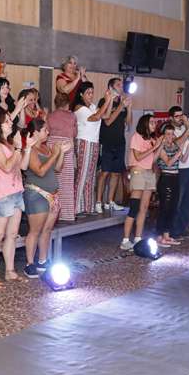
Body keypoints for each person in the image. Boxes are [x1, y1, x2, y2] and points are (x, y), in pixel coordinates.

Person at [0, 110, 34, 288]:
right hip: (1, 194)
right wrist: (18, 149)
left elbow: (23, 166)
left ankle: (10, 271)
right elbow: (6, 167)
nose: (10, 123)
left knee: (12, 234)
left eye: (10, 120)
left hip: (16, 191)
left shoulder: (10, 143)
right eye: (7, 121)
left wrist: (27, 148)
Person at [22, 119, 70, 278]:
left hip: (52, 194)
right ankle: (29, 264)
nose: (48, 133)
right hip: (37, 194)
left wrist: (61, 153)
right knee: (35, 231)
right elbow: (40, 171)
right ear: (35, 132)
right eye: (44, 130)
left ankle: (42, 260)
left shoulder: (46, 148)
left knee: (47, 230)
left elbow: (57, 168)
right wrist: (55, 154)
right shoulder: (30, 150)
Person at [122, 114, 162, 250]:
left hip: (149, 173)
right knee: (134, 207)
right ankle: (125, 240)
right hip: (138, 172)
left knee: (144, 208)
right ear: (145, 123)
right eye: (151, 122)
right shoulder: (136, 137)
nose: (154, 125)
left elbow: (153, 159)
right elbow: (138, 157)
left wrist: (160, 146)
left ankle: (138, 238)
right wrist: (154, 147)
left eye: (155, 123)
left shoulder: (152, 139)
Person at [73, 82, 113, 215]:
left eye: (92, 92)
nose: (91, 95)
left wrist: (110, 100)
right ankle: (76, 208)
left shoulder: (92, 106)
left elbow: (106, 115)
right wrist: (106, 101)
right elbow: (95, 117)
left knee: (91, 177)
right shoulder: (79, 108)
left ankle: (88, 207)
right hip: (84, 142)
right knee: (83, 175)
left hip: (94, 143)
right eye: (88, 93)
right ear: (81, 94)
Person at [96, 78, 131, 213]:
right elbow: (108, 121)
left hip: (120, 142)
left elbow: (128, 123)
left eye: (122, 85)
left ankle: (110, 201)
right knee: (105, 173)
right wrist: (121, 106)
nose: (121, 87)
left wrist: (129, 107)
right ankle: (99, 201)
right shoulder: (104, 101)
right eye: (118, 85)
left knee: (116, 173)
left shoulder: (122, 102)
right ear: (111, 87)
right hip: (107, 142)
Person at [46, 93, 77, 223]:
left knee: (53, 179)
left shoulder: (50, 115)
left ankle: (53, 212)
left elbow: (47, 131)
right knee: (67, 182)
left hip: (52, 145)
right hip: (66, 145)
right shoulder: (72, 116)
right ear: (67, 103)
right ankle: (66, 214)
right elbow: (74, 133)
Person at [169, 107, 189, 240]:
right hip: (179, 169)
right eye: (177, 116)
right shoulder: (170, 130)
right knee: (178, 201)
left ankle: (184, 227)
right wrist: (188, 128)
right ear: (171, 118)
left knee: (188, 201)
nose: (180, 118)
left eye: (181, 115)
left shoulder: (185, 128)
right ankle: (174, 230)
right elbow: (177, 142)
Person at [155, 123, 185, 247]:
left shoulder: (175, 145)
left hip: (175, 177)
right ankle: (159, 236)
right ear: (163, 135)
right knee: (164, 208)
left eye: (172, 134)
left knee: (173, 207)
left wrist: (186, 149)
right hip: (166, 177)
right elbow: (168, 163)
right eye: (167, 134)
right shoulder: (161, 147)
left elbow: (183, 160)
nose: (170, 137)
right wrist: (178, 153)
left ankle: (167, 235)